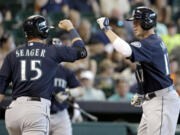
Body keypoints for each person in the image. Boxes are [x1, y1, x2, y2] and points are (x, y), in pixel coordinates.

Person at [97, 7, 180, 135]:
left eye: (137, 22)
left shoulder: (151, 43)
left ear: (147, 22)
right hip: (153, 99)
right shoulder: (151, 42)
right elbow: (145, 70)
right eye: (133, 22)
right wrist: (141, 92)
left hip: (162, 99)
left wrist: (107, 29)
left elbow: (125, 51)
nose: (134, 25)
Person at [0, 15, 87, 135]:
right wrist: (71, 28)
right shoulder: (52, 50)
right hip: (35, 110)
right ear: (43, 31)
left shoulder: (12, 54)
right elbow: (82, 51)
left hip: (13, 111)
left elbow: (1, 89)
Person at [50, 64, 82, 135]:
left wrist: (68, 93)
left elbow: (81, 90)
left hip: (60, 114)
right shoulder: (39, 67)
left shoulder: (64, 70)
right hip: (41, 112)